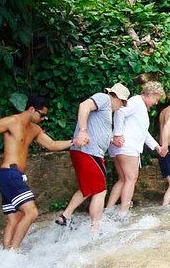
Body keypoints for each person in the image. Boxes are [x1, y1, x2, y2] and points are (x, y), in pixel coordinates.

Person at [0, 95, 72, 250]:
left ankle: (5, 256)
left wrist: (74, 141)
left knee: (14, 219)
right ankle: (13, 253)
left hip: (13, 176)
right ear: (31, 109)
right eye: (41, 114)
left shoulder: (34, 129)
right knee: (31, 213)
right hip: (9, 173)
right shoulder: (12, 122)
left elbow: (52, 144)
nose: (43, 118)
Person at [55, 83, 130, 230]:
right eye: (122, 103)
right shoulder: (103, 98)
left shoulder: (107, 109)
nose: (121, 107)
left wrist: (111, 140)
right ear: (118, 98)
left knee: (88, 187)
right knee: (100, 190)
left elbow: (98, 129)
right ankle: (95, 229)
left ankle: (65, 216)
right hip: (88, 151)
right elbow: (84, 106)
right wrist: (82, 131)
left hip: (90, 152)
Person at [106, 81, 166, 215]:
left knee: (122, 179)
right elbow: (120, 112)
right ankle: (123, 213)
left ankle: (108, 211)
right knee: (131, 179)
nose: (156, 103)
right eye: (156, 99)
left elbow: (143, 132)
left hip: (120, 147)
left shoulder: (140, 106)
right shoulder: (137, 102)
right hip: (127, 146)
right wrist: (117, 134)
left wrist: (156, 147)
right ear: (150, 94)